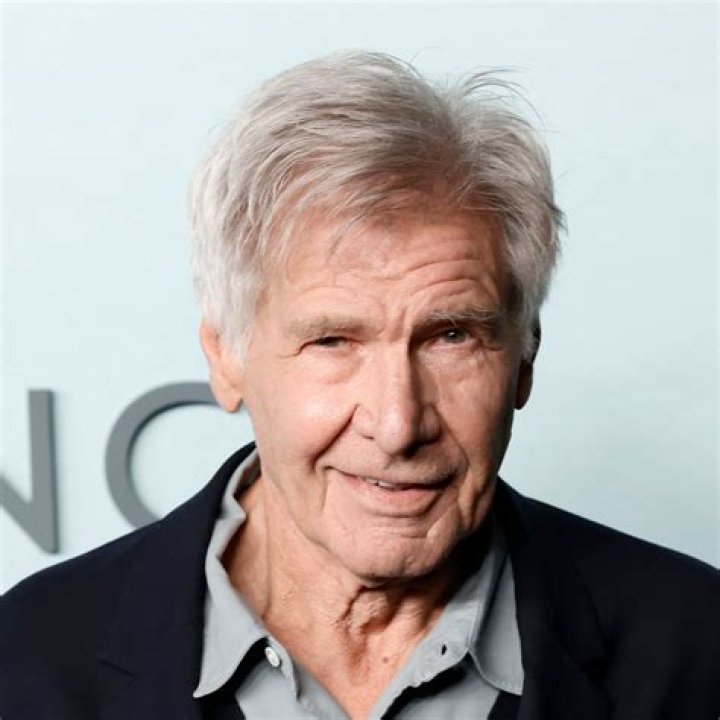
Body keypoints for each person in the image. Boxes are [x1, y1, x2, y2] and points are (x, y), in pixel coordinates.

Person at [1, 50, 718, 720]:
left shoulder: (696, 646)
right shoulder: (29, 660)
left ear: (524, 355)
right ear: (227, 359)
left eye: (451, 336)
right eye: (333, 341)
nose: (398, 423)